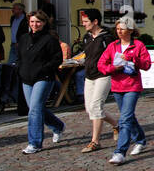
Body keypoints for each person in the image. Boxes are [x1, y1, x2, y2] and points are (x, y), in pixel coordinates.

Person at [97, 15, 152, 165]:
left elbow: (147, 65)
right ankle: (140, 140)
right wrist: (113, 68)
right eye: (118, 29)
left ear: (130, 30)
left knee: (125, 119)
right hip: (117, 85)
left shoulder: (138, 45)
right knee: (128, 116)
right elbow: (101, 64)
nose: (119, 31)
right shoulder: (113, 46)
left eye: (122, 29)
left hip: (132, 85)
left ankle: (120, 152)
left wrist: (132, 60)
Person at [16, 9, 65, 154]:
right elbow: (19, 57)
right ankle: (58, 126)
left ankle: (35, 143)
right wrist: (20, 68)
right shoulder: (24, 38)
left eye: (38, 21)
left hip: (43, 78)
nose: (35, 24)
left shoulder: (50, 39)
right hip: (26, 78)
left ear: (44, 23)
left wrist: (43, 69)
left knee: (34, 110)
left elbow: (57, 59)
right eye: (32, 21)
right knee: (35, 108)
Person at [77, 8, 119, 152]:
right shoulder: (86, 37)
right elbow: (86, 54)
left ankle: (95, 141)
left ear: (95, 22)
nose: (84, 24)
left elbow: (114, 56)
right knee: (90, 109)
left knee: (96, 106)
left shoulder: (107, 38)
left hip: (103, 75)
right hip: (89, 75)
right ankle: (116, 125)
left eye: (86, 22)